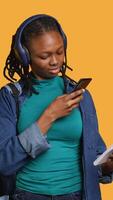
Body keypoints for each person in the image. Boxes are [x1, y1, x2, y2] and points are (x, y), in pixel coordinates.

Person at [0, 14, 113, 200]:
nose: (55, 61)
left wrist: (108, 165)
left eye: (60, 52)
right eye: (44, 56)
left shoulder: (81, 96)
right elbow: (4, 162)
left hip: (78, 195)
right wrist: (49, 116)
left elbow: (95, 158)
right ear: (25, 55)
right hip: (27, 195)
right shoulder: (10, 97)